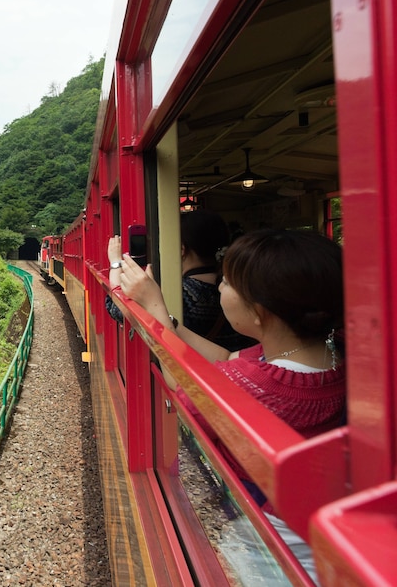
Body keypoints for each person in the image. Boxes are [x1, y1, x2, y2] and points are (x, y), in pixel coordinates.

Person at [110, 228, 346, 581]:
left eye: (228, 283)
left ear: (258, 313)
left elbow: (182, 385)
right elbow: (223, 356)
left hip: (273, 544)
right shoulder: (329, 352)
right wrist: (165, 317)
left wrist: (154, 306)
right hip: (318, 530)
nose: (219, 286)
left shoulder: (257, 385)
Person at [106, 210, 253, 351]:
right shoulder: (237, 286)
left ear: (181, 249)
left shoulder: (183, 294)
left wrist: (115, 263)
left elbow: (117, 310)